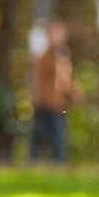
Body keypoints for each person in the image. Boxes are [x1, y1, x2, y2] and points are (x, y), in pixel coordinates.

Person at [29, 20, 81, 163]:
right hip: (43, 104)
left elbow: (67, 80)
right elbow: (38, 78)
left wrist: (75, 94)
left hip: (58, 106)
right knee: (37, 137)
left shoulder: (63, 56)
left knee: (58, 139)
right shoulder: (44, 56)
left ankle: (59, 165)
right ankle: (33, 164)